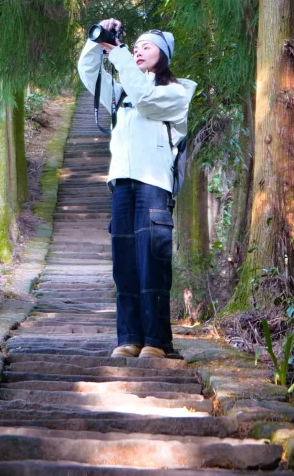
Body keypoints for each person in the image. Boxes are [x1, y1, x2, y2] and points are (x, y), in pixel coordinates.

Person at [77, 20, 196, 359]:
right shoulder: (122, 91)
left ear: (164, 56)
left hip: (154, 186)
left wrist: (121, 55)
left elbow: (145, 101)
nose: (139, 50)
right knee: (125, 264)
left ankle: (157, 342)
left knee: (152, 263)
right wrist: (99, 36)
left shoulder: (176, 92)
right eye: (136, 44)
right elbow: (88, 72)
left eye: (148, 46)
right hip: (121, 184)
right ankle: (129, 339)